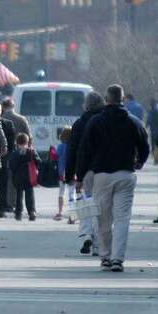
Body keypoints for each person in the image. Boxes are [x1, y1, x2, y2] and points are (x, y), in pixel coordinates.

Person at [76, 84, 150, 273]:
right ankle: (118, 258)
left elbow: (85, 150)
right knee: (122, 218)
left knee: (103, 219)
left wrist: (80, 175)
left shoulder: (96, 122)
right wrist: (140, 161)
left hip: (102, 175)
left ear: (107, 99)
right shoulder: (133, 121)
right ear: (122, 98)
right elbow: (144, 144)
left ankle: (106, 256)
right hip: (125, 173)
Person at [67, 91, 104, 256]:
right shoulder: (105, 121)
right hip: (103, 169)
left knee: (85, 204)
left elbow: (72, 150)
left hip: (84, 170)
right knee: (101, 208)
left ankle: (86, 235)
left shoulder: (79, 123)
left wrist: (70, 174)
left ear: (86, 105)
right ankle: (98, 243)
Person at [0, 97, 29, 217]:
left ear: (3, 106)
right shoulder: (21, 119)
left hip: (2, 152)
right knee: (15, 179)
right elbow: (28, 136)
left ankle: (4, 203)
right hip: (18, 152)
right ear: (13, 106)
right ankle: (13, 202)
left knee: (1, 180)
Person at [7, 132, 39, 221]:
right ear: (27, 142)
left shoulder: (14, 153)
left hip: (18, 178)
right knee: (30, 195)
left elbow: (11, 165)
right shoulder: (31, 152)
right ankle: (31, 212)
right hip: (29, 177)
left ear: (16, 143)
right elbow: (38, 161)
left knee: (18, 196)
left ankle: (18, 213)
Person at [55, 126, 73, 222]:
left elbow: (56, 156)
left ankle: (60, 211)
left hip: (62, 172)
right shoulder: (73, 146)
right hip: (72, 172)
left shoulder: (61, 146)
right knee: (71, 193)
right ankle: (72, 215)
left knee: (61, 193)